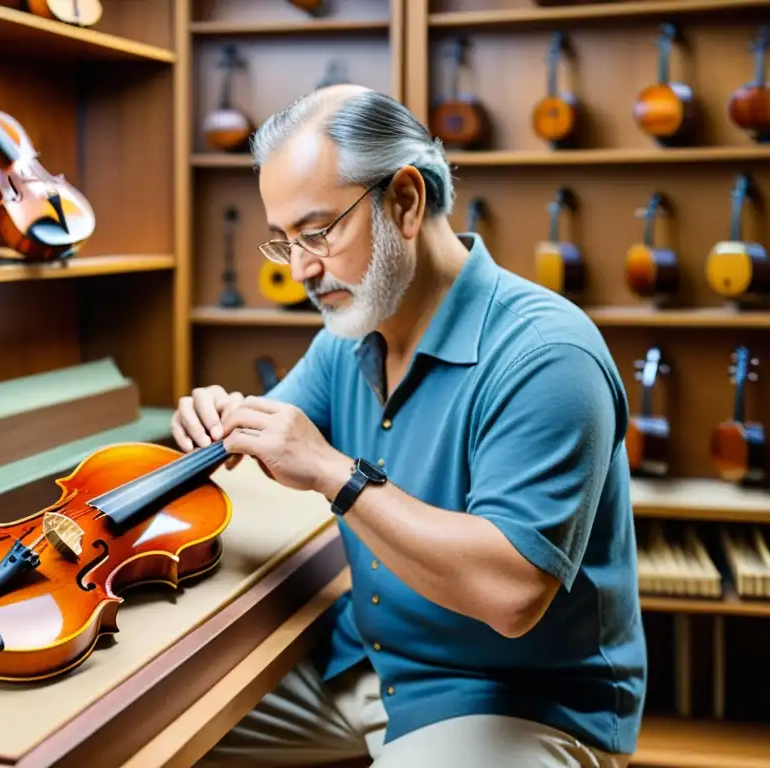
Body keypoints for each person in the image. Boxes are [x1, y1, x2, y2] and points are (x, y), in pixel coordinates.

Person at [171, 84, 647, 767]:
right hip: (365, 665)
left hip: (515, 700)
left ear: (404, 201)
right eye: (285, 242)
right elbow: (281, 436)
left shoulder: (548, 354)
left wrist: (334, 473)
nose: (302, 267)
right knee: (134, 738)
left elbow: (511, 594)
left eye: (319, 232)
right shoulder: (350, 330)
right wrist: (224, 419)